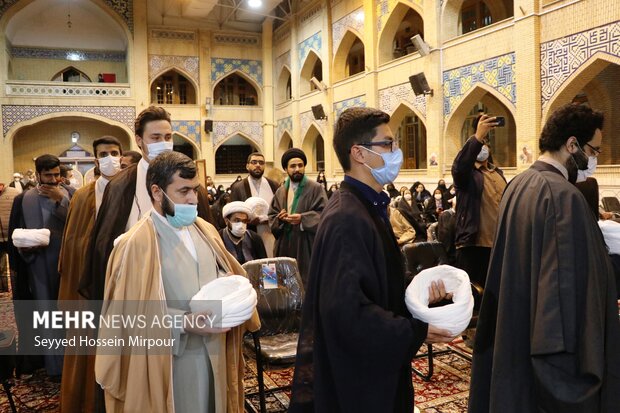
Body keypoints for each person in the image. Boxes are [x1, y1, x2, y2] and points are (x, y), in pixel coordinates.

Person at [289, 107, 454, 412]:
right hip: (360, 385)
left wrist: (422, 290)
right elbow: (348, 313)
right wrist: (414, 332)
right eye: (389, 144)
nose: (397, 152)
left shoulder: (366, 206)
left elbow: (380, 280)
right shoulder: (346, 218)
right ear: (359, 153)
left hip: (375, 372)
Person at [468, 103, 620, 412]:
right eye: (593, 151)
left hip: (518, 335)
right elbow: (564, 300)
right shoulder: (563, 197)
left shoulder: (520, 185)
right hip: (546, 358)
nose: (593, 160)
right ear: (572, 144)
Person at [95, 151, 260, 412]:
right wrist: (182, 322)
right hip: (172, 362)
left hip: (216, 351)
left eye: (194, 189)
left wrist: (228, 287)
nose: (193, 199)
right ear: (157, 192)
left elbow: (223, 270)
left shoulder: (204, 229)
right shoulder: (134, 245)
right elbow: (125, 320)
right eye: (183, 191)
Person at [79, 106, 214, 301]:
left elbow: (205, 236)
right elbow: (104, 241)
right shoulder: (120, 185)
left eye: (168, 137)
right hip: (137, 283)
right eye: (156, 138)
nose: (164, 144)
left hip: (185, 282)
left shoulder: (191, 185)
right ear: (139, 140)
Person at [57, 135, 123, 413]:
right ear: (96, 159)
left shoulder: (133, 189)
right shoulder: (84, 196)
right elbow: (72, 243)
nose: (110, 158)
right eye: (104, 154)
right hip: (92, 284)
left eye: (114, 152)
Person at [8, 154, 75, 378]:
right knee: (46, 315)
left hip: (67, 265)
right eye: (48, 175)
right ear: (37, 175)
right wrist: (23, 249)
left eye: (56, 175)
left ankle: (72, 365)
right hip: (37, 266)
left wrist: (61, 201)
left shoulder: (70, 195)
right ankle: (54, 366)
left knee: (69, 315)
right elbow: (15, 234)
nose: (53, 179)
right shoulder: (23, 199)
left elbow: (78, 225)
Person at [451, 115, 506, 288]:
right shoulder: (467, 176)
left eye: (486, 143)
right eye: (481, 144)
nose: (484, 147)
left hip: (499, 245)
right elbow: (460, 166)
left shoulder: (497, 173)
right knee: (475, 298)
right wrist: (477, 137)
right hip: (475, 246)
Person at [268, 148, 327, 285]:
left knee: (306, 282)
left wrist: (302, 219)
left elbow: (324, 214)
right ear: (286, 169)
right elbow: (272, 216)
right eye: (293, 166)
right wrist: (280, 218)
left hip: (306, 244)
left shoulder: (316, 188)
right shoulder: (281, 191)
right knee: (283, 283)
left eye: (300, 165)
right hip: (285, 244)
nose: (297, 169)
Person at [230, 152, 280, 256]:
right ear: (247, 166)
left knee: (269, 266)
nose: (258, 165)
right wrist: (248, 221)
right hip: (248, 235)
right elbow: (233, 215)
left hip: (270, 233)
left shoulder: (273, 185)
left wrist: (270, 218)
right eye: (254, 162)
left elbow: (279, 209)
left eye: (261, 163)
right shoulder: (238, 187)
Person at [0, 183, 20, 291]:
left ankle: (17, 291)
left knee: (15, 267)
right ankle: (3, 289)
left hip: (12, 236)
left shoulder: (13, 193)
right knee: (1, 268)